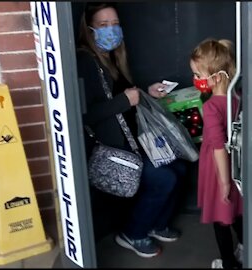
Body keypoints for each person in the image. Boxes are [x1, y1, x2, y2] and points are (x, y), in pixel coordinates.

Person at [76, 2, 187, 258]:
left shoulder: (113, 59)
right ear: (90, 30)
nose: (111, 30)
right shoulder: (86, 61)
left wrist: (146, 94)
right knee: (164, 178)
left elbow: (123, 102)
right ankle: (132, 233)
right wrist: (125, 100)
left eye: (115, 24)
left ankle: (157, 224)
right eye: (103, 25)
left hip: (132, 142)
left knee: (179, 168)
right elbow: (85, 114)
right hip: (114, 151)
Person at [190, 39, 244, 269]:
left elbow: (219, 147)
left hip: (218, 170)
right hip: (235, 165)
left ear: (217, 77)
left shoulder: (211, 107)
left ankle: (228, 263)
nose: (195, 80)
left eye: (198, 75)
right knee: (236, 212)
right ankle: (245, 246)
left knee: (220, 219)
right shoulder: (236, 97)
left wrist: (223, 182)